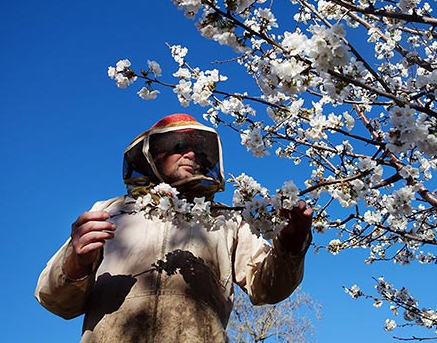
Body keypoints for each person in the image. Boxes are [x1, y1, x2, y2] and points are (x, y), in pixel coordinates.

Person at [35, 114, 313, 342]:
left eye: (200, 151)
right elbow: (55, 299)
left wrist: (291, 244)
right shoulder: (108, 210)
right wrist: (77, 260)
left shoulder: (227, 220)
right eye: (178, 146)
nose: (192, 154)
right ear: (153, 156)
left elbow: (268, 287)